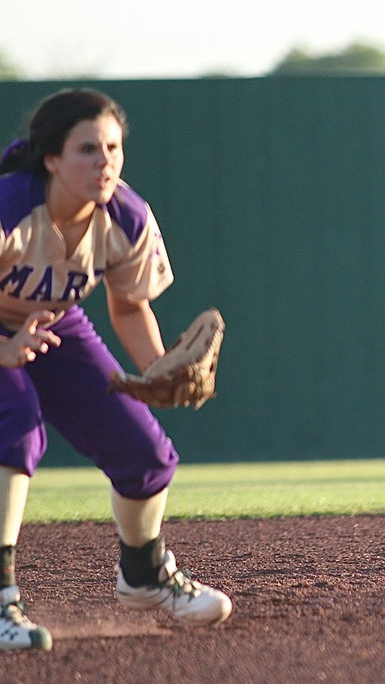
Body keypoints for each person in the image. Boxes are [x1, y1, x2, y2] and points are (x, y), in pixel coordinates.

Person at [0, 89, 231, 652]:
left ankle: (145, 574)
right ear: (51, 158)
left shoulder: (125, 216)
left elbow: (128, 304)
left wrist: (155, 369)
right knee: (16, 424)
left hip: (54, 324)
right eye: (87, 149)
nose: (104, 161)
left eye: (113, 147)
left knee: (143, 450)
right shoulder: (10, 210)